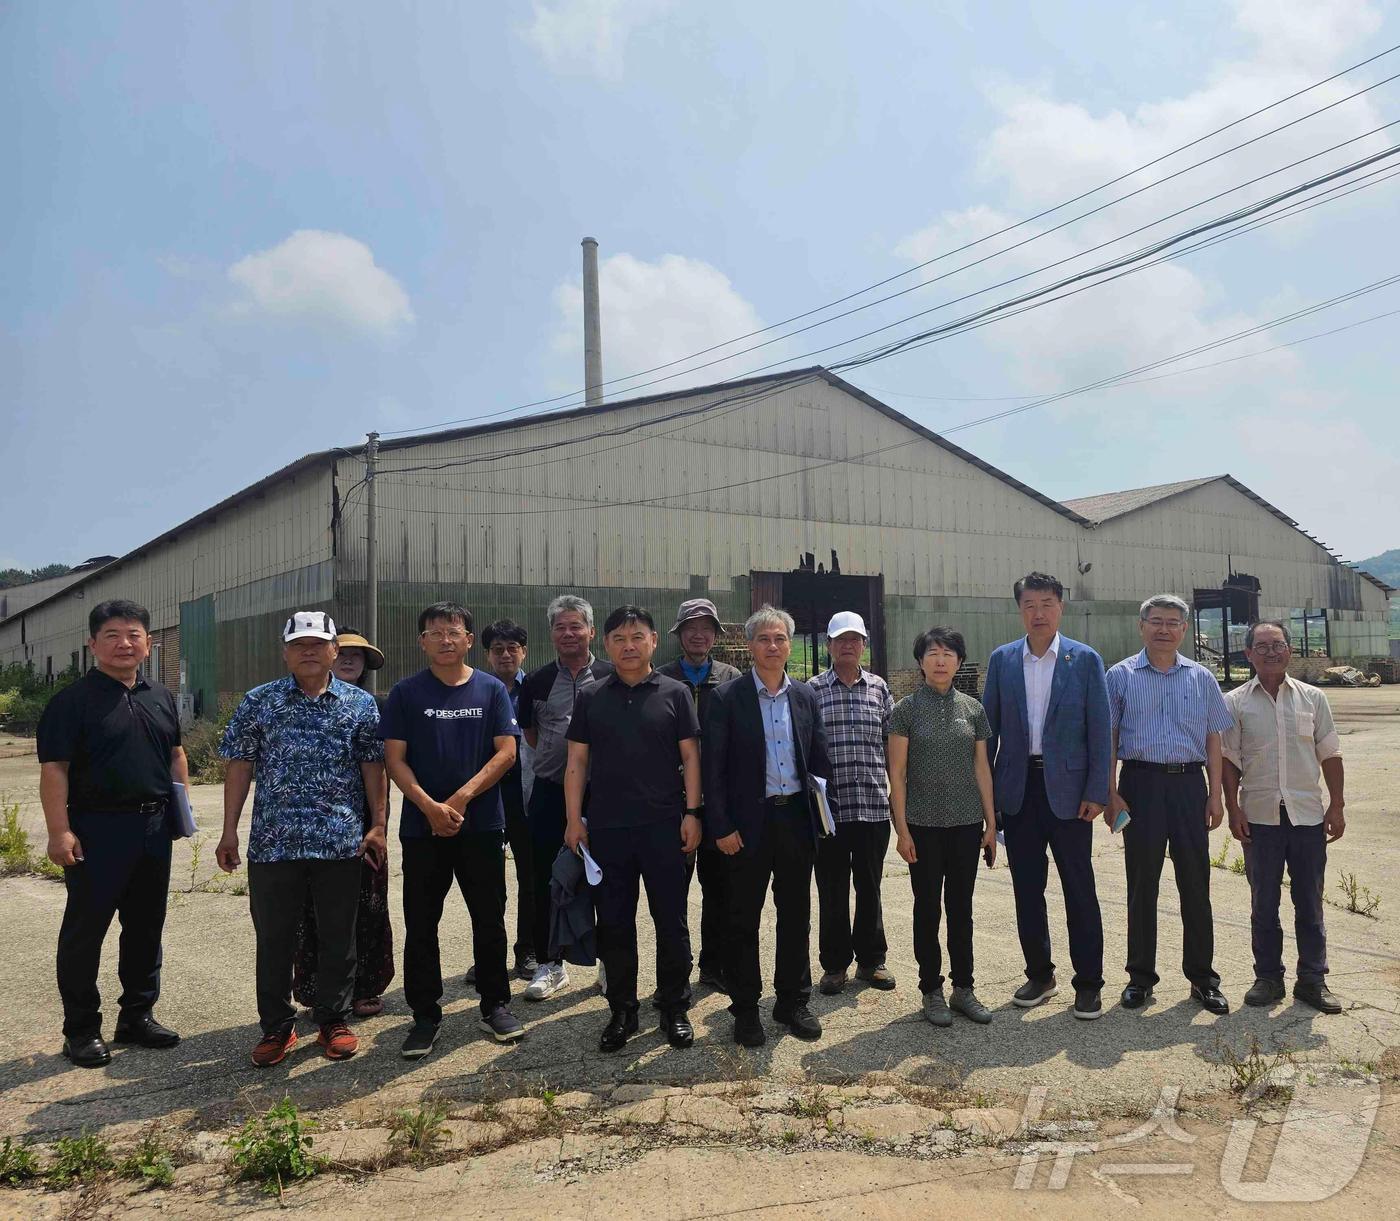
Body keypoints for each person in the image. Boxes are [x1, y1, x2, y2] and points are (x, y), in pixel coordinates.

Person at [217, 611, 387, 1066]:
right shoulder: (259, 702)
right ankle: (276, 1027)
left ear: (335, 649)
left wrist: (379, 825)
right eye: (299, 644)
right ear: (286, 651)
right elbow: (239, 767)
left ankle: (333, 1019)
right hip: (274, 844)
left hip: (340, 841)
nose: (308, 651)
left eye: (318, 643)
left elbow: (374, 768)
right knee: (273, 938)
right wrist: (229, 829)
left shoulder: (360, 705)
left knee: (338, 935)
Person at [37, 599, 187, 1068]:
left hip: (153, 828)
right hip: (96, 830)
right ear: (92, 644)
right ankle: (80, 1030)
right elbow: (55, 770)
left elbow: (175, 754)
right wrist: (59, 832)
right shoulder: (71, 703)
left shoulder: (159, 696)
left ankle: (137, 1016)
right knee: (86, 932)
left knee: (145, 927)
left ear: (148, 642)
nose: (124, 643)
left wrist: (180, 810)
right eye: (112, 635)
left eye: (133, 635)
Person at [379, 602, 524, 1058]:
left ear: (467, 639)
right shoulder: (405, 693)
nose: (445, 639)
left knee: (489, 917)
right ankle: (425, 1016)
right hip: (422, 831)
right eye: (435, 632)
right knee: (422, 923)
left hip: (481, 825)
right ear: (422, 641)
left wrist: (458, 800)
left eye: (454, 631)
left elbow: (506, 754)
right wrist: (428, 806)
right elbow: (394, 758)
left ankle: (495, 1004)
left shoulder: (490, 690)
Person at [564, 605, 702, 1052]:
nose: (629, 645)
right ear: (606, 645)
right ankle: (623, 1009)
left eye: (637, 636)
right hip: (607, 830)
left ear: (654, 641)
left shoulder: (675, 693)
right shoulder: (591, 696)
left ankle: (674, 1007)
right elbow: (577, 762)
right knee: (616, 924)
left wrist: (693, 813)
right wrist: (573, 821)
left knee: (672, 921)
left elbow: (691, 759)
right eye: (620, 638)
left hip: (664, 826)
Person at [982, 573, 1111, 1020]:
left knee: (1079, 888)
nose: (1039, 613)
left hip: (1072, 793)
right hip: (1018, 791)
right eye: (1030, 604)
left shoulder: (1085, 660)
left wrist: (1098, 791)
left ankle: (1088, 982)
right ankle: (1040, 974)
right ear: (1020, 610)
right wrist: (990, 802)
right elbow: (989, 733)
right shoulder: (1002, 661)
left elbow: (1100, 731)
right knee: (1027, 889)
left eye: (1047, 603)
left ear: (1061, 607)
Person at [703, 605, 832, 1046]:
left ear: (789, 644)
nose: (773, 646)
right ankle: (745, 1007)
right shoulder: (725, 698)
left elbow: (818, 759)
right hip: (746, 825)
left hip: (795, 819)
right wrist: (720, 825)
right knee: (742, 918)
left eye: (780, 639)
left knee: (795, 916)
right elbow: (712, 770)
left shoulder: (805, 696)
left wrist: (821, 816)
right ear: (750, 646)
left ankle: (792, 1001)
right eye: (764, 639)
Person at [1106, 594, 1234, 1015]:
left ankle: (1202, 978)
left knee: (1196, 883)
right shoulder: (1120, 676)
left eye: (1173, 622)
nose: (1164, 629)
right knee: (1142, 883)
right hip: (1139, 784)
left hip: (1188, 786)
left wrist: (1215, 794)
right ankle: (1140, 978)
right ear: (1141, 626)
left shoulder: (1201, 678)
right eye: (1156, 621)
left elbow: (1215, 737)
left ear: (1185, 629)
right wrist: (1111, 791)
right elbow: (1108, 736)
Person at [1223, 621, 1345, 1015]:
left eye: (1278, 645)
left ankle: (1313, 979)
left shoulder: (1313, 698)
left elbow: (1330, 753)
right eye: (1262, 646)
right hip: (1258, 818)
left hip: (1307, 815)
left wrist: (1337, 805)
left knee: (1309, 901)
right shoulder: (1235, 702)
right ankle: (1268, 978)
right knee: (1264, 902)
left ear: (1290, 650)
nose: (1271, 652)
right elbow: (1229, 762)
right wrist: (1233, 808)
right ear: (1248, 654)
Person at [888, 628, 997, 1027]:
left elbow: (982, 768)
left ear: (959, 661)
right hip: (923, 825)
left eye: (948, 653)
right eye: (932, 653)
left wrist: (990, 822)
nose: (940, 660)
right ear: (920, 661)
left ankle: (963, 988)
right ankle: (930, 990)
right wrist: (902, 830)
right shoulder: (905, 710)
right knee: (927, 908)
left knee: (961, 909)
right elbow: (896, 775)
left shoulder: (973, 709)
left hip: (966, 823)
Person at [292, 627, 394, 1019]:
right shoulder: (295, 700)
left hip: (365, 817)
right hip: (309, 822)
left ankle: (366, 985)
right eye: (345, 652)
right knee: (311, 907)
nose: (351, 659)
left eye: (359, 655)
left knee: (367, 901)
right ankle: (316, 988)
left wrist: (380, 821)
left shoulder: (376, 705)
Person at [517, 595, 613, 1002]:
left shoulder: (612, 676)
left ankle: (611, 961)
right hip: (551, 794)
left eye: (577, 626)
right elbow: (532, 736)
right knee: (545, 879)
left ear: (592, 631)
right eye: (561, 627)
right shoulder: (536, 682)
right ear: (551, 633)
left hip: (606, 796)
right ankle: (550, 963)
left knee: (610, 880)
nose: (569, 634)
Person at [809, 611, 896, 996]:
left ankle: (871, 961)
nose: (848, 645)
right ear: (829, 645)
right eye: (840, 639)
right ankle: (834, 965)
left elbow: (893, 750)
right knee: (831, 888)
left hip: (873, 806)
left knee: (870, 886)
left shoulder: (879, 689)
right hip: (829, 812)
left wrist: (899, 798)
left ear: (864, 645)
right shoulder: (811, 691)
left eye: (855, 639)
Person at [656, 598, 741, 993]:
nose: (698, 634)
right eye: (691, 627)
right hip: (672, 801)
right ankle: (673, 977)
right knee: (671, 895)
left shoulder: (731, 678)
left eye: (706, 627)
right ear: (677, 634)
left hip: (719, 802)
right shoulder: (662, 679)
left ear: (715, 635)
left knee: (720, 890)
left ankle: (714, 965)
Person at [480, 619, 538, 982]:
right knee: (487, 880)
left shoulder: (535, 688)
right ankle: (490, 954)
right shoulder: (476, 689)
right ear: (487, 655)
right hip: (487, 796)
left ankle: (527, 950)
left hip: (526, 795)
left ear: (523, 652)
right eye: (498, 649)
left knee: (530, 878)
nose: (505, 655)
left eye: (512, 648)